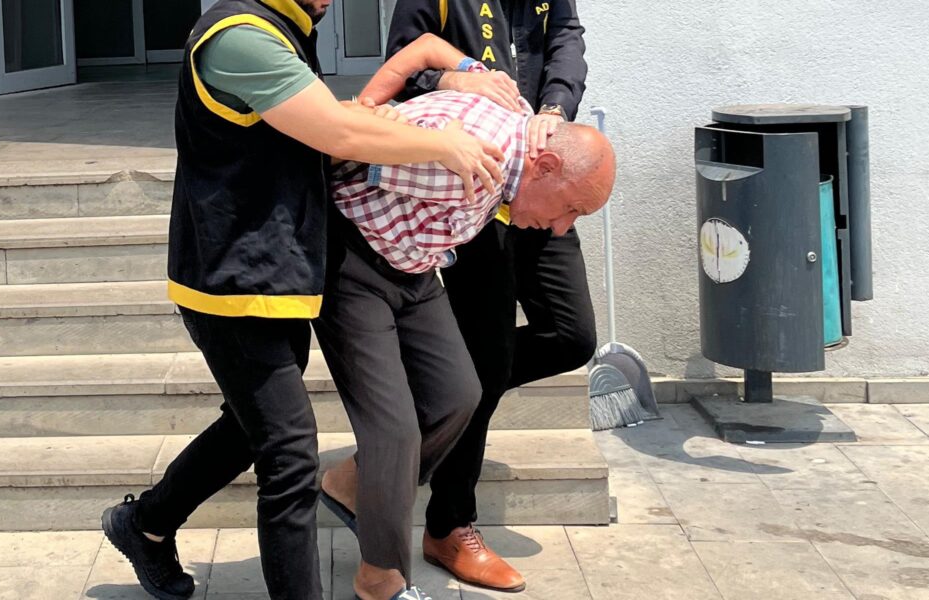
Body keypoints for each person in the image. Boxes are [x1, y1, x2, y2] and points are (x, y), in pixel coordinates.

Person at [97, 1, 504, 599]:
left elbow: (318, 132)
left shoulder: (289, 29)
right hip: (229, 283)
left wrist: (392, 113)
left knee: (250, 428)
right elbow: (335, 131)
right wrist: (438, 144)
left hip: (279, 272)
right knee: (288, 456)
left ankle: (145, 524)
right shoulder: (240, 36)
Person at [315, 48, 615, 600]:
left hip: (414, 267)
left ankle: (353, 481)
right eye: (570, 208)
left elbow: (449, 58)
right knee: (395, 432)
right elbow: (340, 151)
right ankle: (380, 578)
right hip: (353, 264)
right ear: (547, 166)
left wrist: (465, 71)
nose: (560, 228)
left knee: (459, 395)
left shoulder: (520, 126)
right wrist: (370, 109)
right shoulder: (462, 164)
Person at [386, 0, 595, 591]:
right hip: (475, 189)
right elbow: (402, 69)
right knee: (487, 356)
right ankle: (449, 524)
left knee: (571, 336)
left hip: (544, 180)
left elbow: (566, 36)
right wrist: (449, 78)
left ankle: (441, 400)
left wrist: (555, 107)